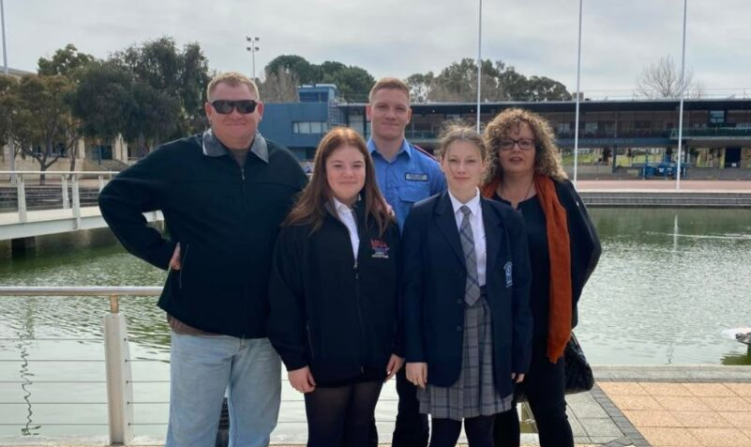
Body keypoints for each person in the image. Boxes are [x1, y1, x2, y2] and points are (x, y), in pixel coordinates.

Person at [99, 72, 308, 447]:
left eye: (244, 105)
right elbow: (114, 199)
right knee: (190, 434)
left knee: (255, 434)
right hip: (198, 327)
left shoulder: (284, 167)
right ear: (208, 111)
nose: (235, 113)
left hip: (264, 332)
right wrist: (161, 252)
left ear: (259, 110)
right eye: (224, 105)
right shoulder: (177, 159)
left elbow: (313, 223)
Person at [267, 127, 404, 447]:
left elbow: (400, 289)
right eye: (338, 165)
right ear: (322, 170)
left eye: (356, 165)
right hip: (322, 361)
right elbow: (283, 297)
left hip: (374, 358)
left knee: (362, 436)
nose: (348, 173)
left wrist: (400, 345)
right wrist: (295, 361)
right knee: (326, 439)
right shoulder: (300, 226)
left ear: (367, 171)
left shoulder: (383, 222)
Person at [403, 125, 533, 447]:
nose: (462, 169)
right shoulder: (422, 217)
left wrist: (520, 354)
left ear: (483, 165)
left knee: (483, 431)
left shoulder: (506, 219)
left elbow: (520, 290)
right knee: (443, 433)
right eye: (454, 160)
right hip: (441, 336)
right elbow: (411, 291)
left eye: (470, 161)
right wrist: (414, 354)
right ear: (441, 163)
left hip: (490, 332)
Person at [481, 108, 601, 447]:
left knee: (551, 412)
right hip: (495, 327)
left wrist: (563, 299)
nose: (515, 149)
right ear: (495, 149)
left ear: (538, 149)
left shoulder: (558, 191)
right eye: (507, 142)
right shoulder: (483, 194)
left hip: (544, 325)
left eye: (524, 142)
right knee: (499, 413)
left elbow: (589, 248)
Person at [366, 76, 447, 447]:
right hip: (363, 303)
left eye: (399, 108)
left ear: (409, 115)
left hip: (415, 302)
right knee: (357, 404)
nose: (390, 114)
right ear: (369, 111)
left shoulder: (431, 172)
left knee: (414, 406)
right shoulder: (348, 163)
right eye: (382, 106)